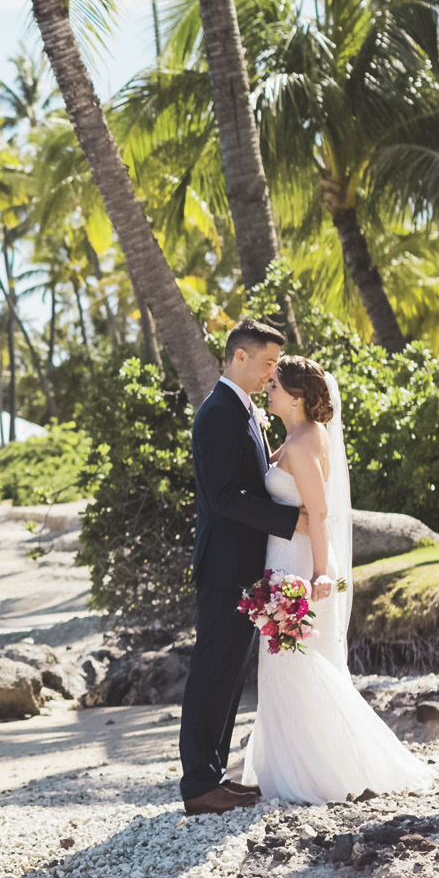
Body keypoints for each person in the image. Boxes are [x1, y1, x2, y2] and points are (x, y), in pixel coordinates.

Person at [237, 357, 434, 803]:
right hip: (282, 557)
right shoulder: (295, 437)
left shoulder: (306, 441)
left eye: (275, 385)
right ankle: (291, 770)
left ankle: (321, 774)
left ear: (297, 396)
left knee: (297, 662)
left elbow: (320, 512)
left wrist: (320, 573)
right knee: (285, 664)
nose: (268, 389)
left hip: (300, 565)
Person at [181, 318, 307, 816]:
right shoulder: (218, 413)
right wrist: (289, 520)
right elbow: (224, 496)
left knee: (231, 675)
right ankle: (199, 785)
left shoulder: (243, 410)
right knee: (212, 672)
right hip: (223, 567)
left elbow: (248, 481)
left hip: (244, 567)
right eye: (268, 363)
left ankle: (214, 776)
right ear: (240, 356)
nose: (271, 375)